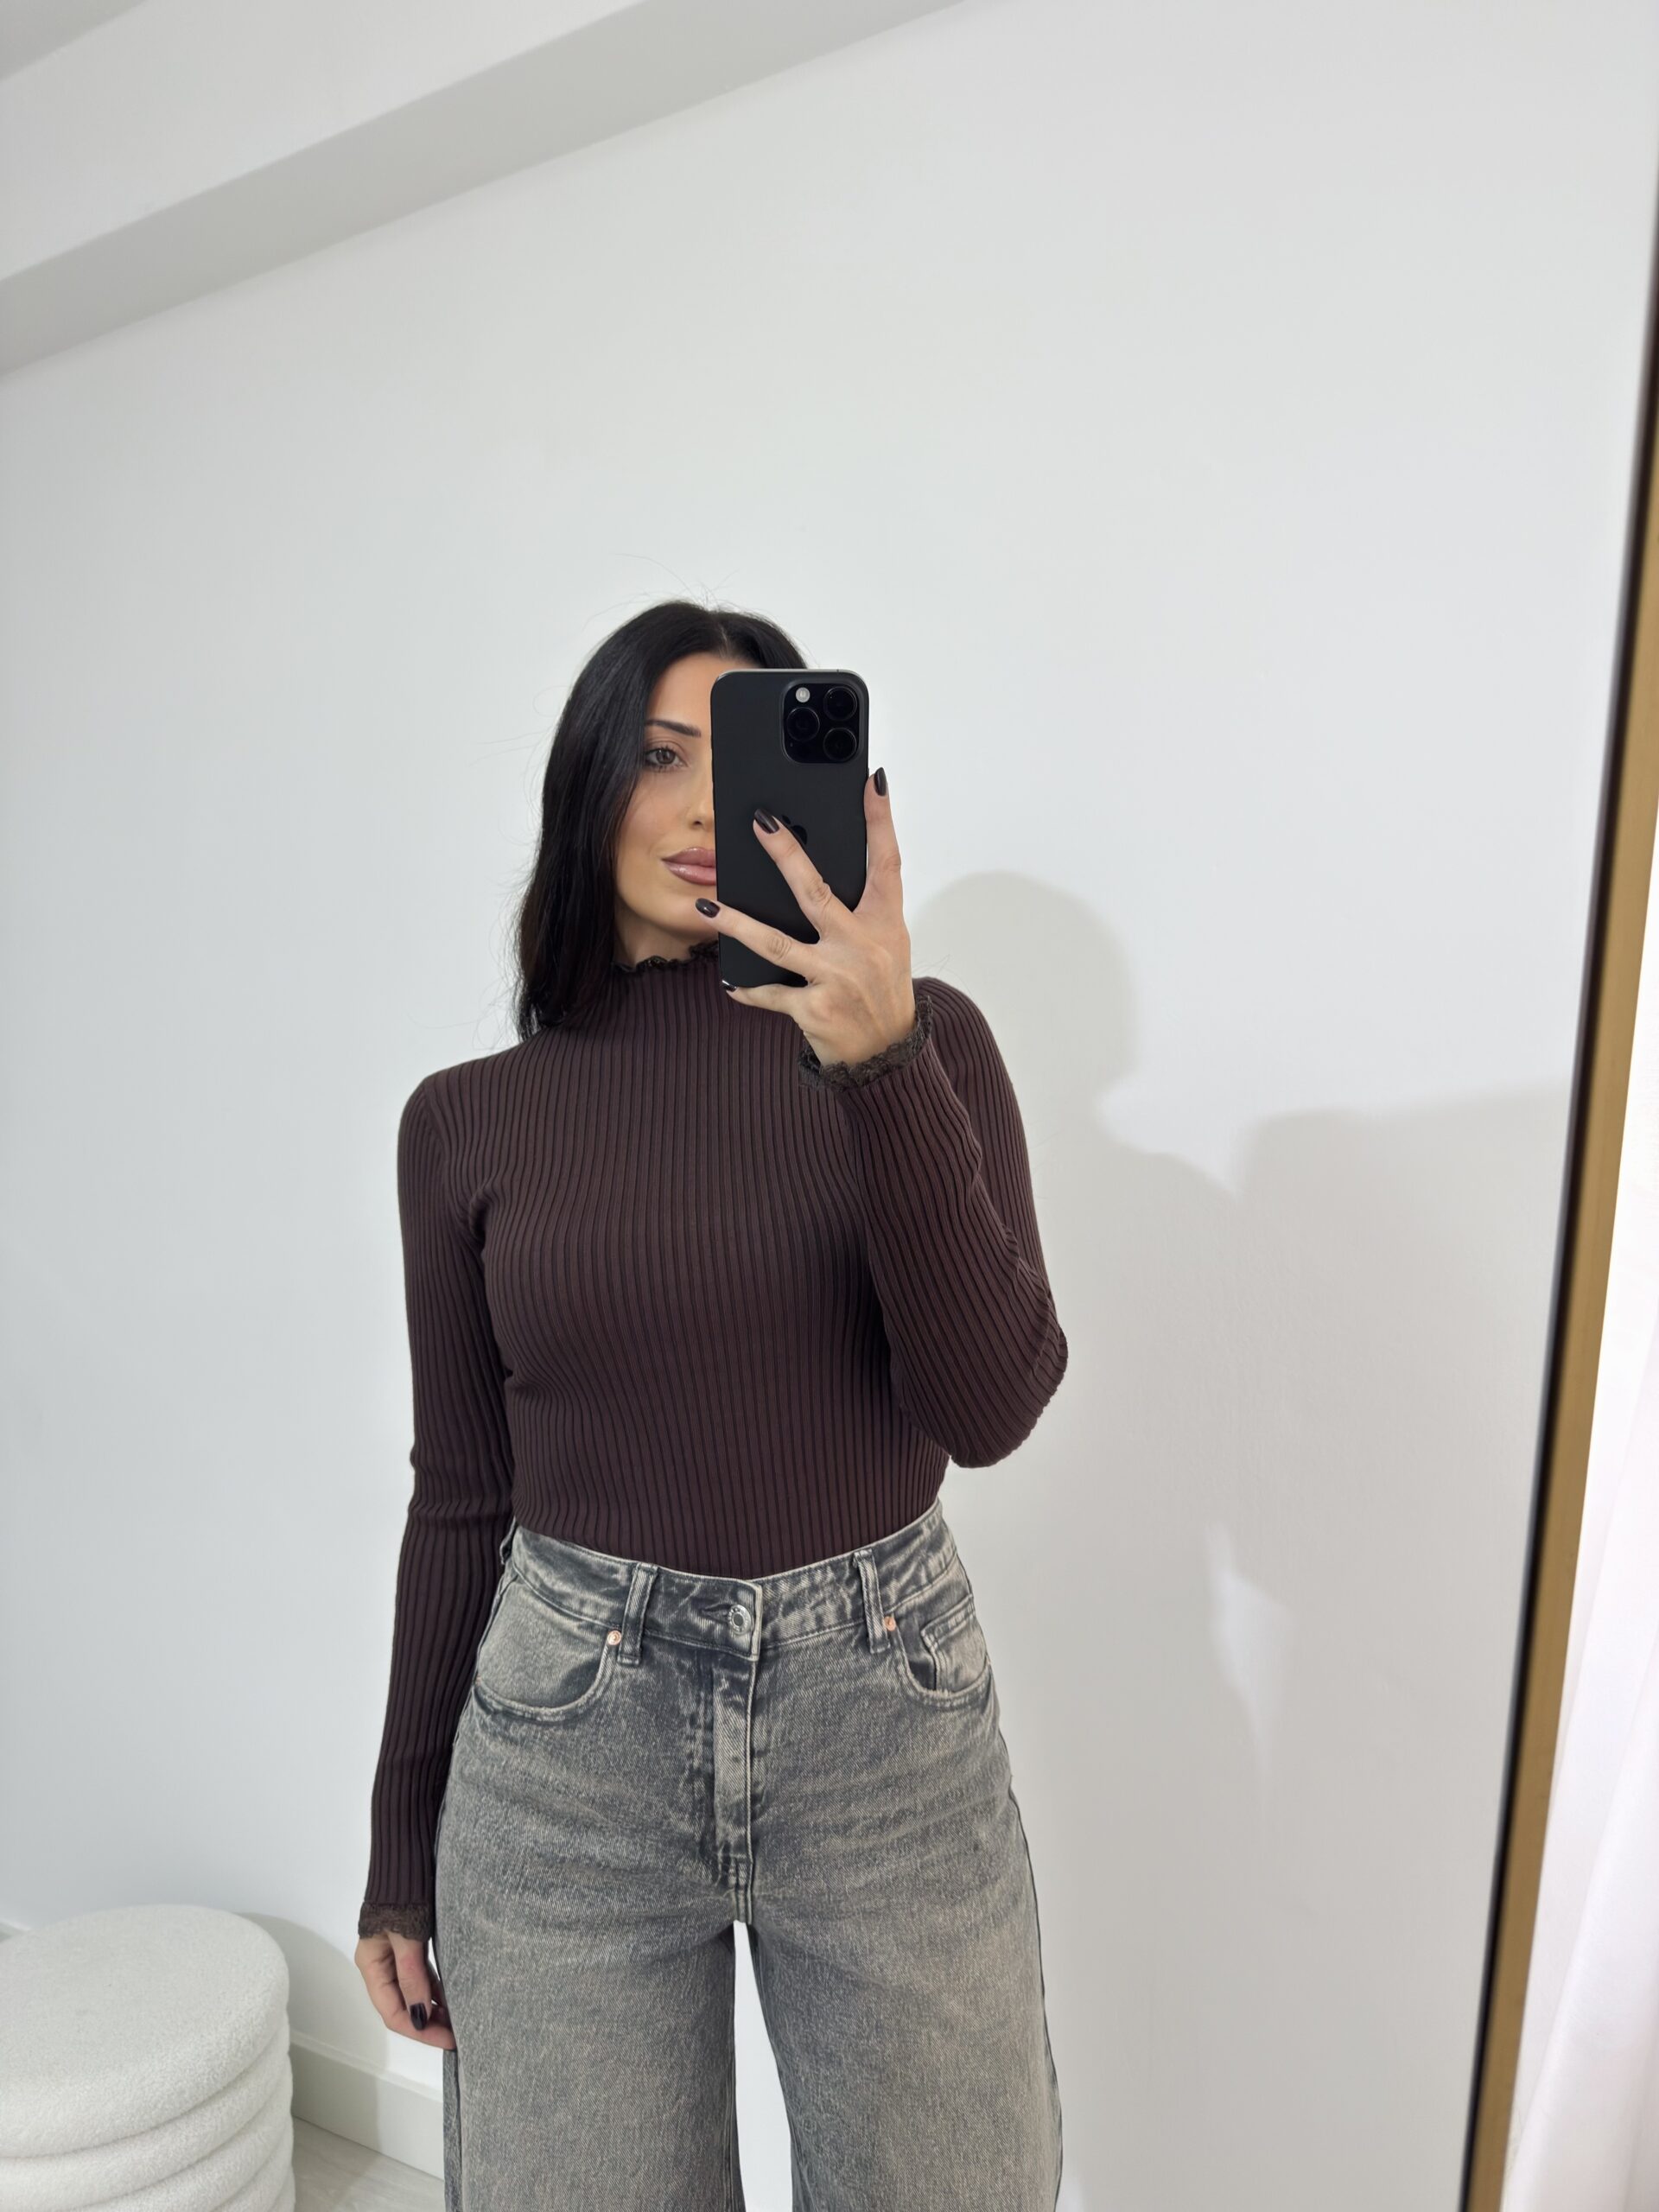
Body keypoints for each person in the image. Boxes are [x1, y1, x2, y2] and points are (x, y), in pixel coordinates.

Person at [353, 599, 1069, 2209]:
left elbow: (991, 1403)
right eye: (661, 758)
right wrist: (402, 1850)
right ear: (588, 788)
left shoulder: (929, 1045)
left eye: (743, 771)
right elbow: (460, 1494)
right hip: (567, 1746)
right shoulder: (468, 1123)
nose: (700, 814)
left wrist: (878, 1060)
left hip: (886, 1726)